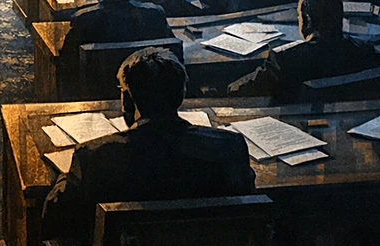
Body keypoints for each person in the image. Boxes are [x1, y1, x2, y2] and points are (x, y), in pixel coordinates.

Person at [42, 47, 255, 240]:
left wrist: (64, 177)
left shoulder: (95, 157)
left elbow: (55, 218)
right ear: (181, 95)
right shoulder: (229, 147)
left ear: (126, 100)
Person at [228, 0, 380, 102]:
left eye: (298, 16)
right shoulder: (364, 51)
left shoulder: (285, 59)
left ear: (307, 20)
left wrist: (226, 88)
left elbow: (250, 88)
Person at [56, 0, 171, 97]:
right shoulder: (154, 14)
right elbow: (170, 51)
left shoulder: (84, 20)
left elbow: (66, 59)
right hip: (149, 89)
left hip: (98, 91)